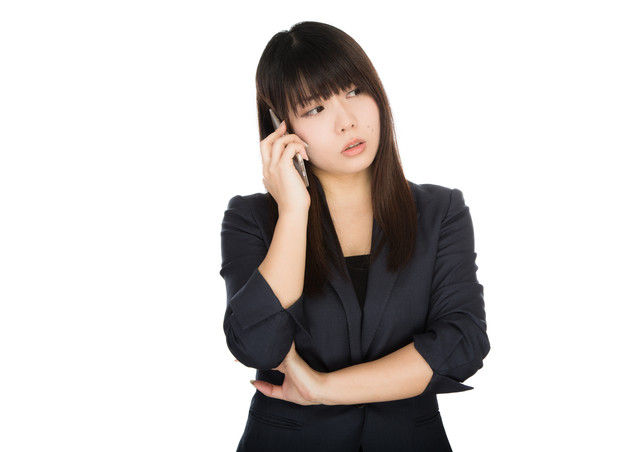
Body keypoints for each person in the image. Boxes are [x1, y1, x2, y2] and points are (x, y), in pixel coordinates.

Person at [220, 21, 490, 452]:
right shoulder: (251, 218)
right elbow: (258, 345)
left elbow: (462, 344)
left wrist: (323, 388)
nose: (346, 122)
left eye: (353, 91)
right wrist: (293, 211)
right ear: (280, 127)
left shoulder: (440, 212)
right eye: (314, 109)